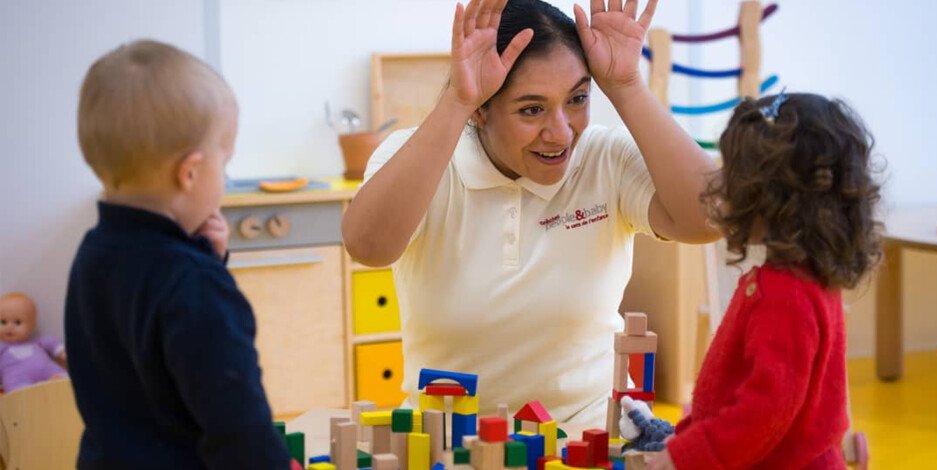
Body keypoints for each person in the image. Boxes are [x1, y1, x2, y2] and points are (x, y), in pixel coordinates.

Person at [342, 0, 719, 423]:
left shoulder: (603, 157)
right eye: (531, 109)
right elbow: (368, 247)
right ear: (481, 110)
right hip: (451, 435)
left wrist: (628, 86)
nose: (560, 132)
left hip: (596, 427)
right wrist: (457, 101)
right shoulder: (419, 158)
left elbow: (709, 218)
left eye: (577, 98)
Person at [66, 40, 301, 469]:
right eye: (224, 164)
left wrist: (204, 258)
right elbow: (238, 426)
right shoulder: (193, 283)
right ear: (190, 173)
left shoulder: (92, 254)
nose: (224, 179)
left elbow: (143, 352)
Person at [649, 92, 883, 469]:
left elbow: (766, 409)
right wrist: (686, 439)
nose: (722, 186)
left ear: (769, 196)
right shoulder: (804, 275)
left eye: (734, 176)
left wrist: (684, 457)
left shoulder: (785, 291)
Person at [0, 292, 68, 394]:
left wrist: (62, 352)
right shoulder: (2, 348)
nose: (10, 327)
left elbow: (53, 344)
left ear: (32, 324)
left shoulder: (37, 342)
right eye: (3, 322)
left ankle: (59, 382)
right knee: (16, 388)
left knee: (62, 377)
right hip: (18, 380)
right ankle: (25, 394)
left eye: (17, 322)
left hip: (48, 374)